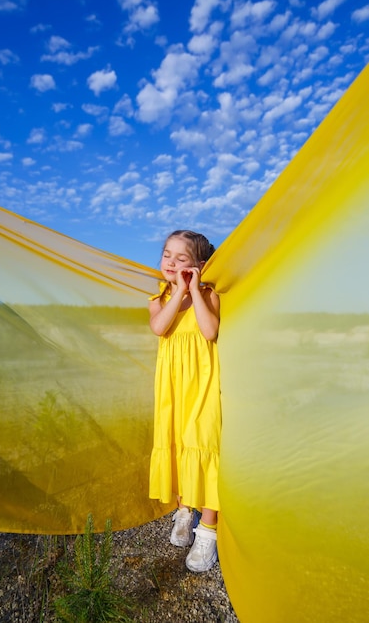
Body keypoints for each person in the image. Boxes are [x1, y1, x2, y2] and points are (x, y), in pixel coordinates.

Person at [148, 229, 222, 573]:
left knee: (204, 445)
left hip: (204, 387)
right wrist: (178, 290)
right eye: (166, 255)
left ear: (199, 266)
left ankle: (207, 530)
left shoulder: (209, 295)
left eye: (181, 258)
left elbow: (209, 332)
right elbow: (160, 328)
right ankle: (184, 510)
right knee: (178, 444)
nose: (171, 263)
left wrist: (193, 288)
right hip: (173, 390)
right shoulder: (159, 299)